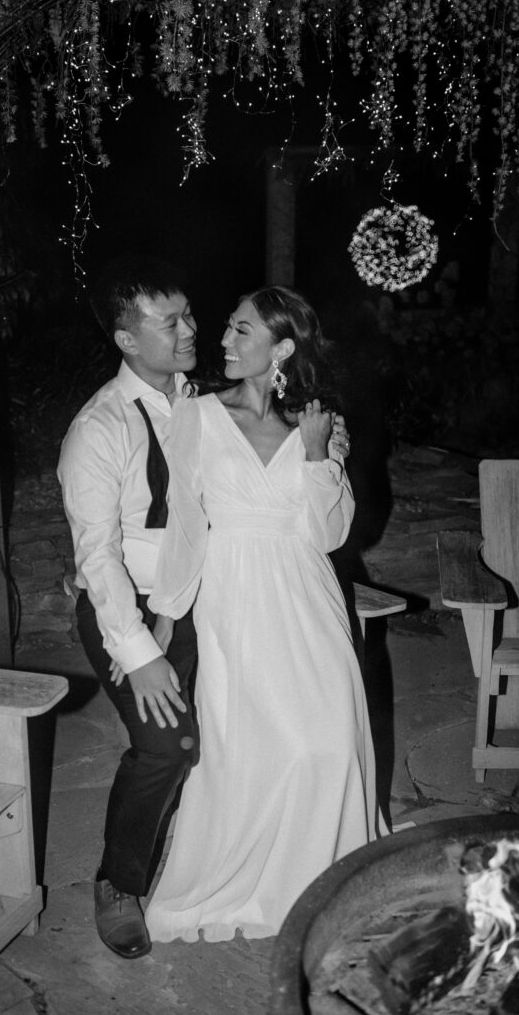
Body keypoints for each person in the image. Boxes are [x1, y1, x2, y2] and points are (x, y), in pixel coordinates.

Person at [143, 284, 388, 944]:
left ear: (282, 347)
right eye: (227, 328)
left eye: (241, 331)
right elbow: (188, 524)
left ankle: (320, 875)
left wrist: (315, 455)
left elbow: (330, 535)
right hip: (235, 595)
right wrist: (167, 613)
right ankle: (242, 877)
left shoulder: (319, 423)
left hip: (307, 593)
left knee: (330, 739)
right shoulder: (193, 415)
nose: (223, 341)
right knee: (247, 745)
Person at [56, 255, 201, 959]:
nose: (189, 329)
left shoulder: (202, 402)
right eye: (169, 322)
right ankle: (119, 881)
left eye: (188, 314)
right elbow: (98, 557)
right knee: (164, 745)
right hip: (130, 608)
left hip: (207, 595)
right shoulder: (98, 428)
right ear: (125, 338)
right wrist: (137, 653)